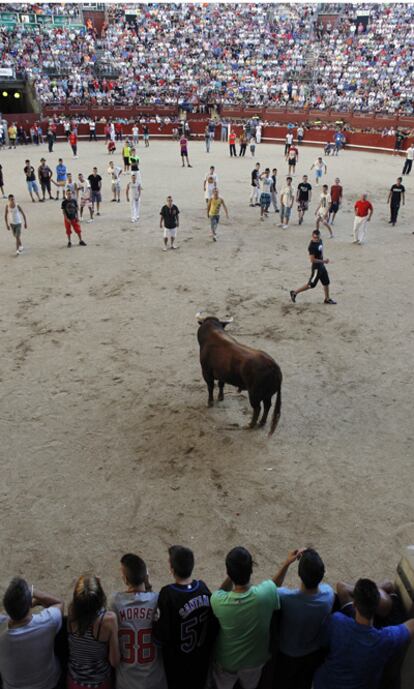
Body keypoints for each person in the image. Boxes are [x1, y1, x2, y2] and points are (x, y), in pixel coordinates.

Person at [211, 546, 297, 689]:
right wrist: (287, 563)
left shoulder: (218, 601)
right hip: (254, 662)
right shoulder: (265, 594)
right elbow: (274, 584)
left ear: (229, 573)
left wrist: (232, 574)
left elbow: (220, 591)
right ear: (251, 569)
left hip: (227, 663)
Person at [313, 578, 414, 689]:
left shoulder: (337, 620)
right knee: (390, 590)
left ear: (354, 604)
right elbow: (411, 625)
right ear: (376, 607)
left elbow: (321, 642)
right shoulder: (384, 640)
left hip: (323, 684)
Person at [153, 545, 214, 689]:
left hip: (177, 666)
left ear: (172, 570)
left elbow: (161, 637)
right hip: (200, 662)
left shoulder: (167, 594)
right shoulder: (203, 588)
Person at [276, 549, 335, 689]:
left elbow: (272, 587)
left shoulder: (286, 598)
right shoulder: (328, 595)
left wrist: (287, 563)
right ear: (322, 574)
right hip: (312, 654)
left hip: (287, 652)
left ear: (299, 574)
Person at [110, 553, 167, 689]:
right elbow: (149, 596)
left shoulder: (115, 602)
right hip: (154, 681)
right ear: (145, 576)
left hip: (127, 683)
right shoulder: (156, 599)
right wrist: (148, 585)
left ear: (125, 579)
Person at [0, 577, 64, 689]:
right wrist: (33, 591)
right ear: (30, 604)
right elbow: (59, 603)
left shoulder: (2, 630)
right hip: (49, 685)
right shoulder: (47, 622)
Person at [67, 575, 119, 689]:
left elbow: (78, 604)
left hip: (74, 683)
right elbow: (114, 661)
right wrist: (98, 588)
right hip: (100, 684)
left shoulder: (71, 615)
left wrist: (84, 588)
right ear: (100, 597)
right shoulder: (108, 620)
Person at [290, 228, 336, 305]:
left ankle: (327, 299)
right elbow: (312, 260)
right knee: (311, 285)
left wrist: (322, 260)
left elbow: (320, 252)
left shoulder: (320, 241)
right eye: (314, 237)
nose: (316, 239)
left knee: (326, 282)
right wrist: (324, 261)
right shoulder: (312, 247)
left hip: (321, 266)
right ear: (312, 236)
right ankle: (294, 293)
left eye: (317, 237)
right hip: (316, 269)